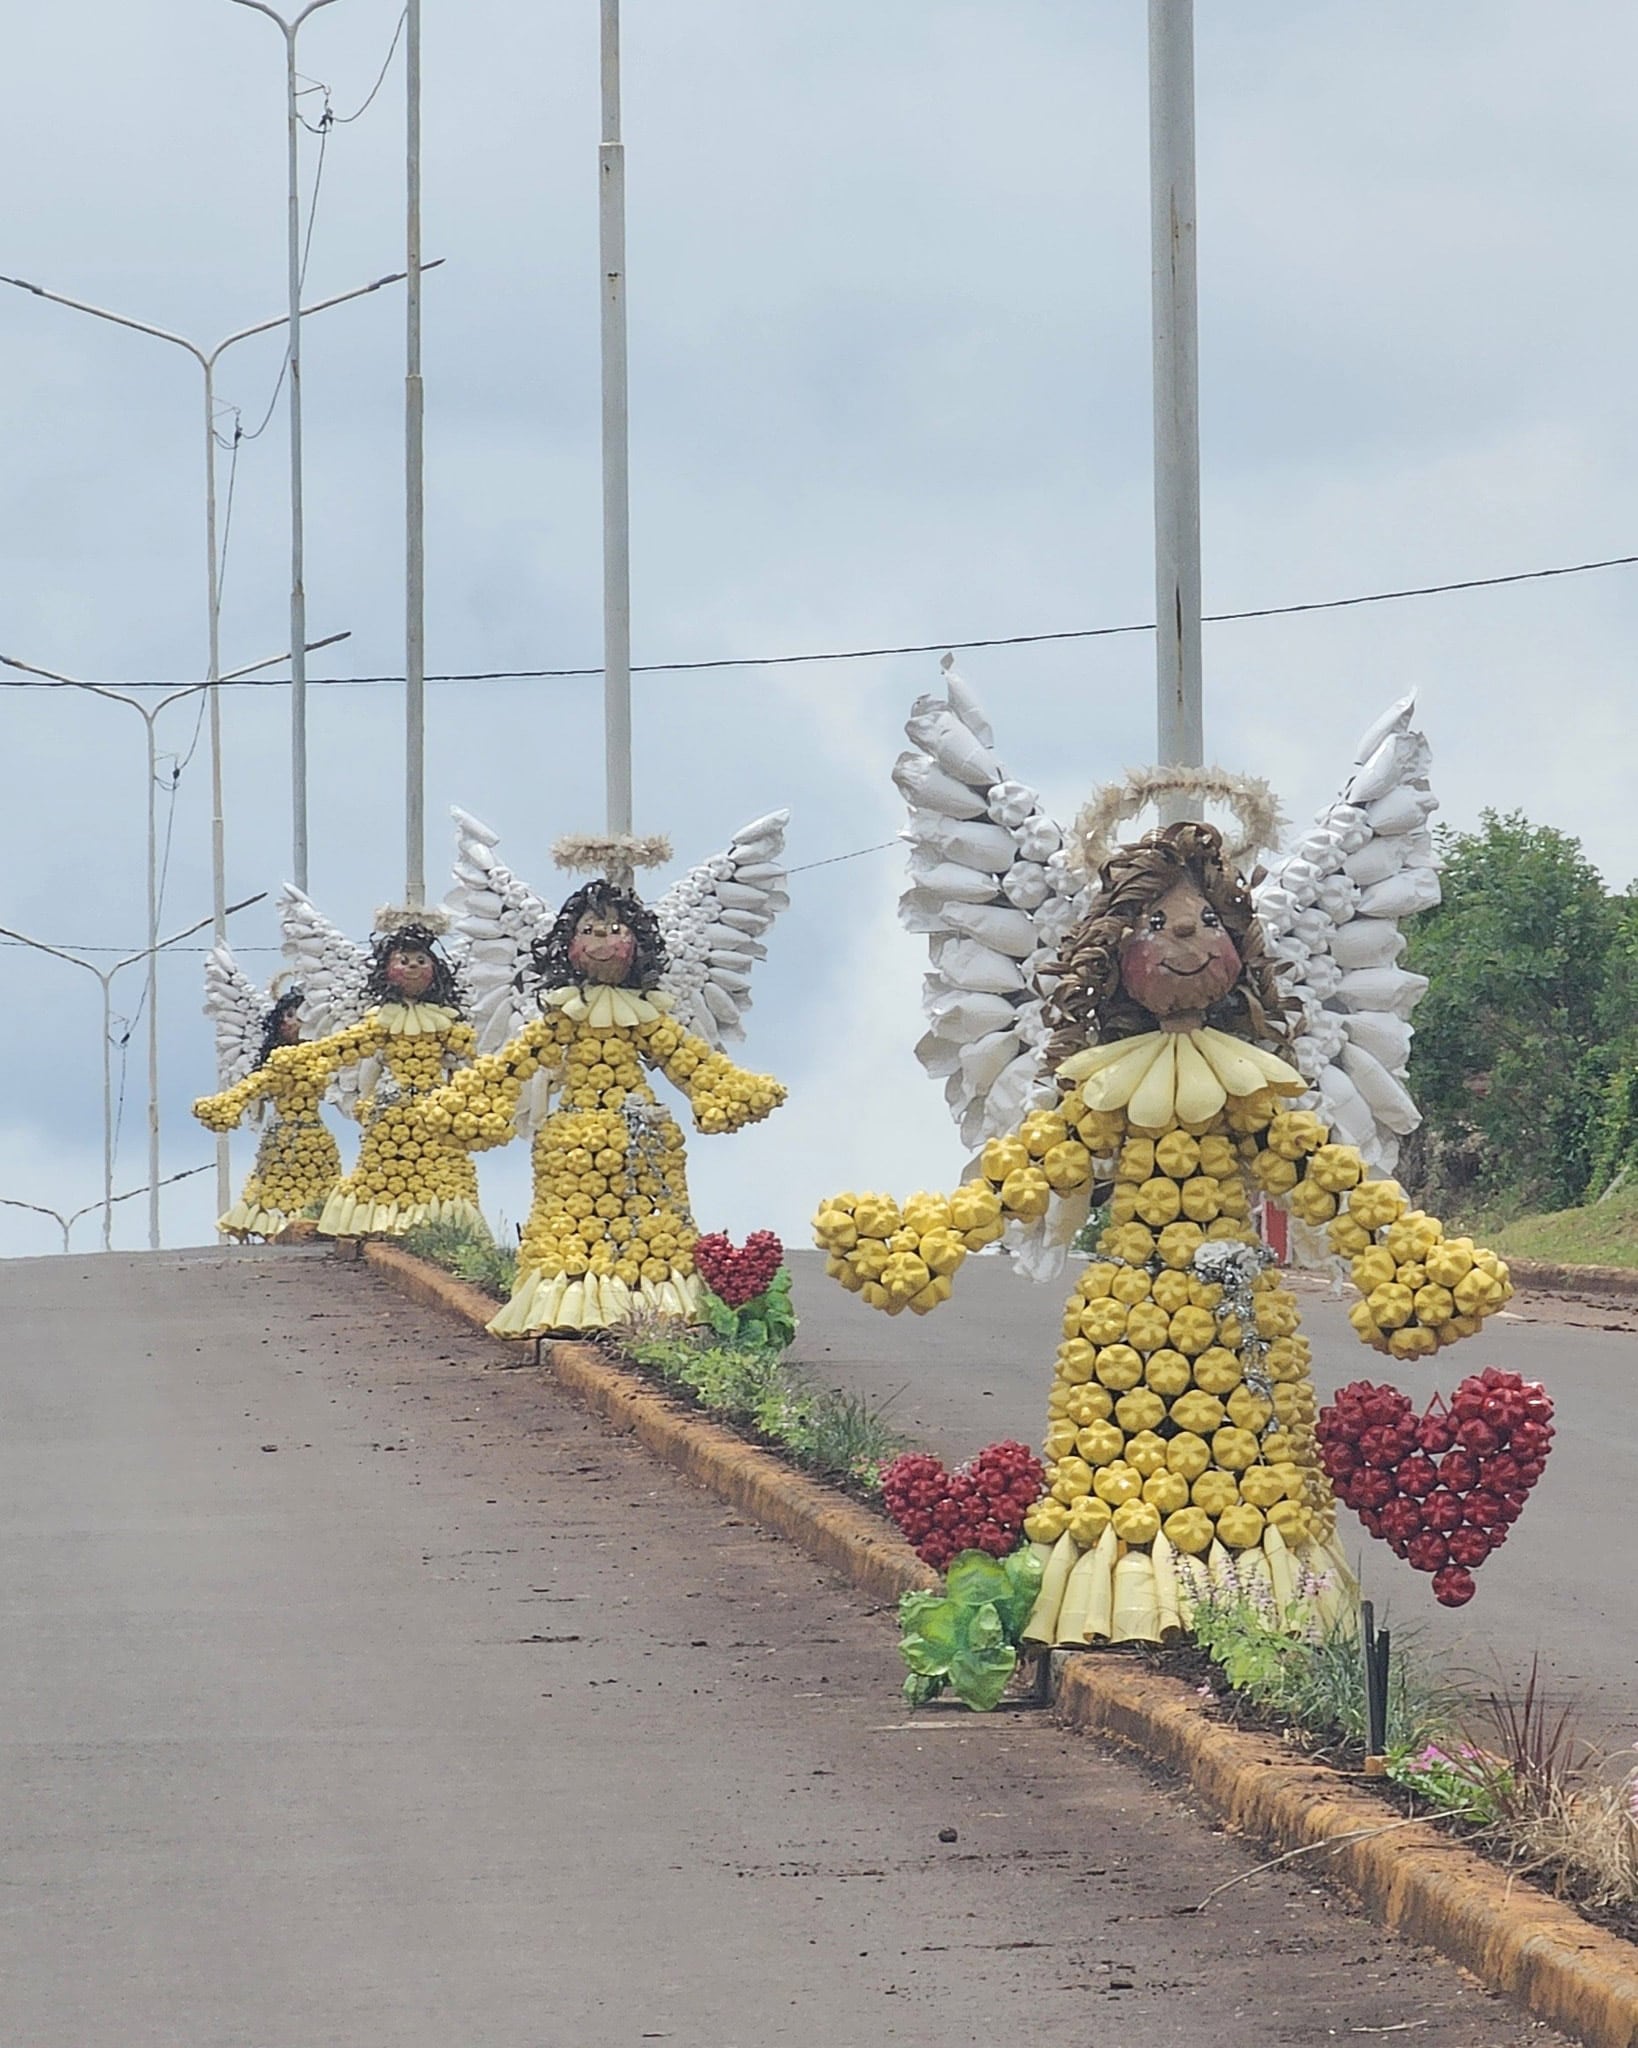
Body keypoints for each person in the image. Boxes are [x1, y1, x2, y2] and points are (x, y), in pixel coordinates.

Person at [814, 822, 1513, 1641]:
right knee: (1119, 1461)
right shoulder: (1103, 1089)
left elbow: (1323, 1174)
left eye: (1209, 922)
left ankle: (1270, 1619)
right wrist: (922, 1239)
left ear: (1240, 947)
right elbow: (1025, 1172)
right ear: (1114, 955)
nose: (1187, 934)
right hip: (1127, 1320)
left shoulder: (1251, 1087)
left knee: (1251, 1463)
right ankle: (1122, 1608)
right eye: (1158, 923)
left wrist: (1402, 1259)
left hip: (1235, 1325)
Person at [423, 877, 785, 1336]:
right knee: (571, 1227)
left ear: (637, 945)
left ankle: (655, 1302)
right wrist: (473, 1099)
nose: (602, 944)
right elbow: (517, 1059)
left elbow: (688, 1059)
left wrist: (731, 1090)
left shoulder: (647, 1014)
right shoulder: (565, 1014)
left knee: (650, 1230)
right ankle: (570, 1301)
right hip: (575, 1143)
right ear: (569, 945)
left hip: (639, 1137)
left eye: (615, 932)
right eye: (589, 932)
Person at [298, 915, 484, 1239]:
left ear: (435, 970)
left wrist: (481, 1084)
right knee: (381, 1167)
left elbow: (468, 1057)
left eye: (421, 961)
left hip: (435, 1109)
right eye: (403, 961)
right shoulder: (381, 1021)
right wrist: (361, 1095)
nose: (412, 967)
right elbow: (361, 1056)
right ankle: (378, 1222)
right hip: (391, 1109)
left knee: (440, 1168)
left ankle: (438, 1228)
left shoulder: (444, 1021)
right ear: (386, 970)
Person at [193, 984, 342, 1240]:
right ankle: (274, 1227)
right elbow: (256, 1083)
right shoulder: (279, 1063)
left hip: (315, 1136)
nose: (297, 1022)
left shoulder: (321, 1057)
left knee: (323, 1181)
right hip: (283, 1138)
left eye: (304, 1015)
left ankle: (319, 1220)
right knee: (274, 1184)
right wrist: (228, 1103)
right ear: (278, 1023)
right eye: (291, 1015)